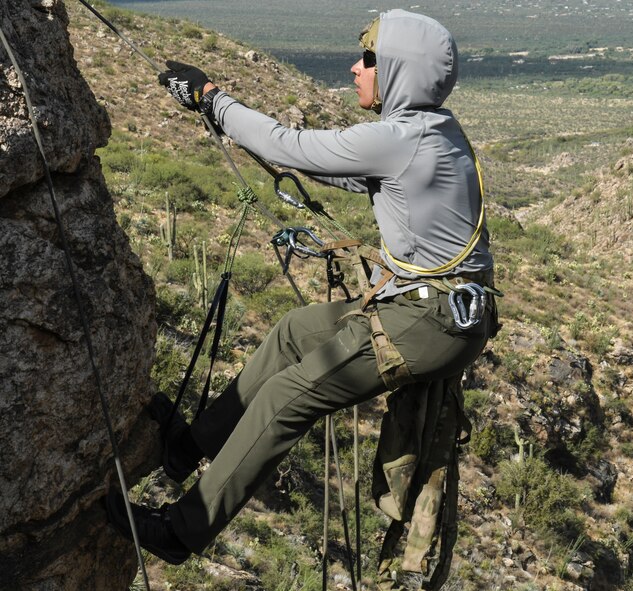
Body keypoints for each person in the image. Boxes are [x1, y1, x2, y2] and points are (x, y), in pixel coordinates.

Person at [106, 9, 496, 565]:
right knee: (294, 333)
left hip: (424, 323)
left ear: (396, 70)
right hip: (435, 311)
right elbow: (329, 166)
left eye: (368, 60)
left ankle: (183, 531)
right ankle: (187, 448)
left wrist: (211, 99)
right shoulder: (434, 130)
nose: (356, 68)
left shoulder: (401, 137)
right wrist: (237, 126)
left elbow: (295, 147)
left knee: (290, 395)